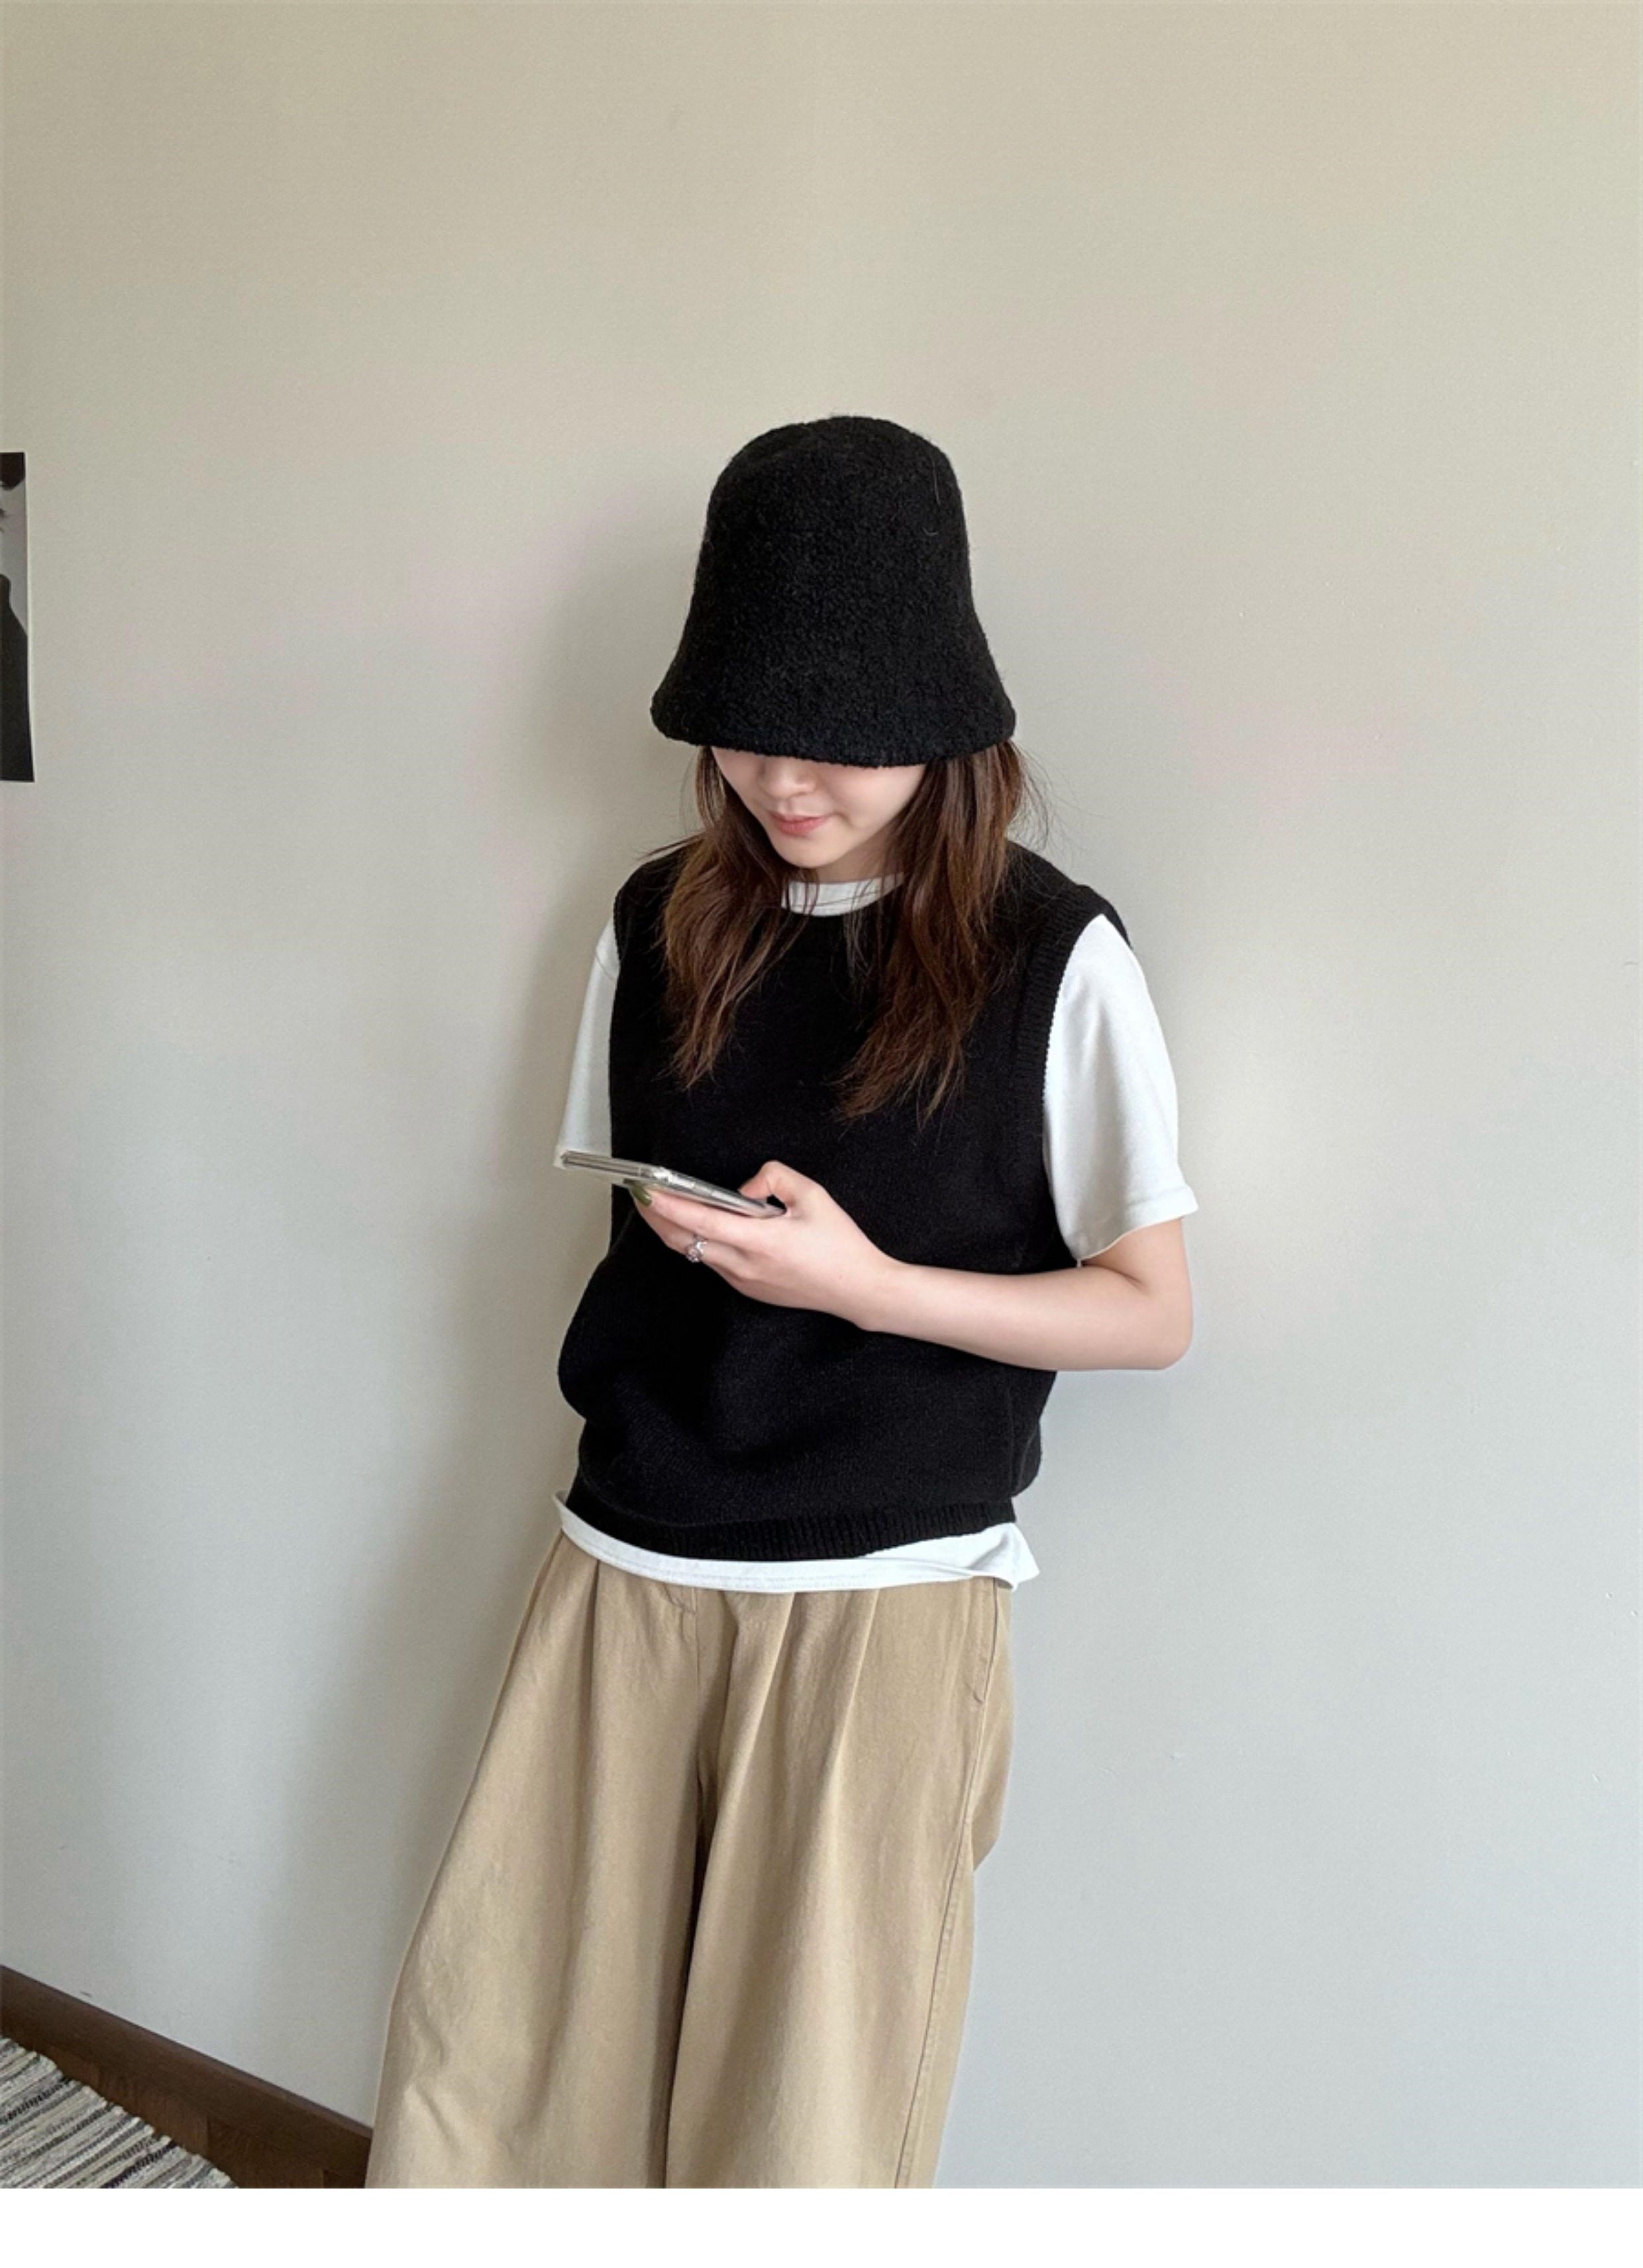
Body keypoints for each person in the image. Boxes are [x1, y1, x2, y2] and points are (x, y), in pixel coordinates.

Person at [364, 415, 1197, 2188]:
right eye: (742, 726)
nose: (778, 774)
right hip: (623, 1565)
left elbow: (1150, 1310)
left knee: (797, 2137)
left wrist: (866, 1286)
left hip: (878, 1606)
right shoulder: (658, 921)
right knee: (499, 2083)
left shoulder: (1052, 956)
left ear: (938, 714)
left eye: (833, 731)